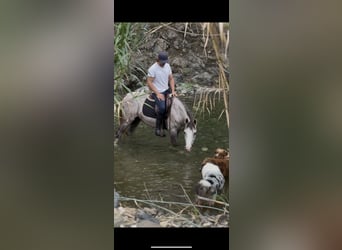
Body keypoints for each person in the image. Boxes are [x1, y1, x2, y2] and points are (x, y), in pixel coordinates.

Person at [146, 51, 177, 137]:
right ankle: (158, 128)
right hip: (157, 91)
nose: (164, 64)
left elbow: (171, 79)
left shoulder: (167, 66)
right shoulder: (152, 69)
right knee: (162, 108)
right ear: (158, 60)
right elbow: (149, 82)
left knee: (176, 103)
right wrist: (158, 93)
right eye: (162, 62)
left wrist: (173, 90)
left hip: (167, 90)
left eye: (165, 62)